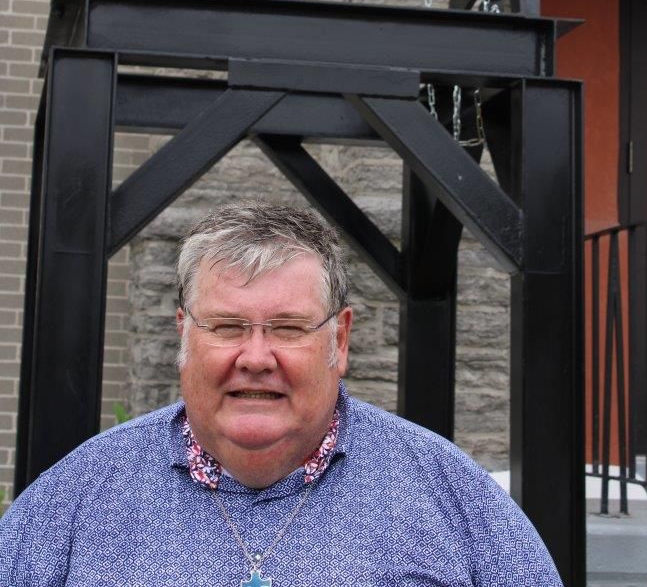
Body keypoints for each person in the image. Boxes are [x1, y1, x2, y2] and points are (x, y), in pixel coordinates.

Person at [0, 200, 563, 586]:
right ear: (184, 334)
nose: (255, 358)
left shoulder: (450, 494)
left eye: (289, 328)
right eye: (226, 327)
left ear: (339, 340)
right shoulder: (76, 498)